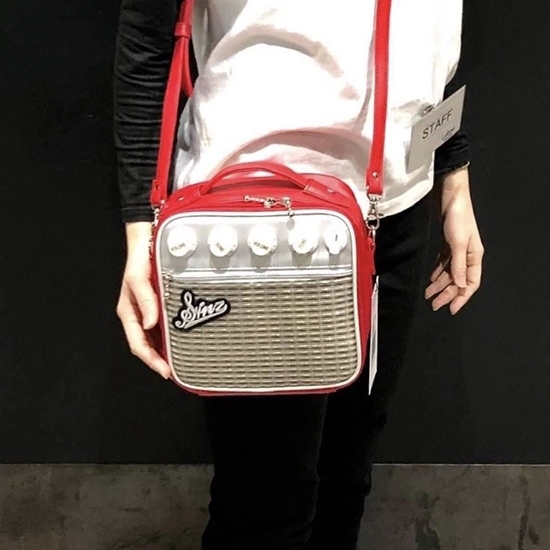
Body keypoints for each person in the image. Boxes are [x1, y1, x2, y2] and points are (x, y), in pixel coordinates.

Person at [113, 1, 484, 548]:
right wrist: (139, 228)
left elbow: (433, 31)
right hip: (257, 218)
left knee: (347, 476)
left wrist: (454, 176)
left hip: (396, 205)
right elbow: (148, 40)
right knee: (265, 509)